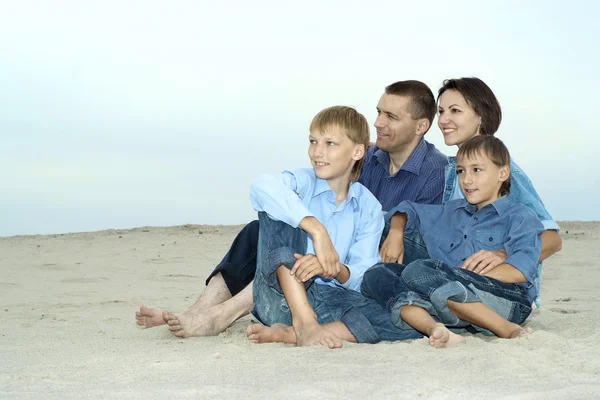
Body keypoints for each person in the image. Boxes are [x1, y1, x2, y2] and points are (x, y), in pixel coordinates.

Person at [135, 80, 449, 337]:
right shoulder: (370, 157)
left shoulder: (433, 168)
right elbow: (279, 188)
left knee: (393, 318)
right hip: (319, 249)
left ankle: (236, 315)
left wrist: (391, 227)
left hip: (382, 255)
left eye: (391, 117)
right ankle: (202, 312)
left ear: (421, 126)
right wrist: (316, 226)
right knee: (262, 227)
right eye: (379, 112)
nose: (379, 122)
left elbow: (420, 224)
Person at [379, 77, 561, 307]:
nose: (444, 120)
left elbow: (552, 238)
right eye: (442, 111)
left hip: (498, 288)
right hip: (457, 271)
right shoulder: (452, 170)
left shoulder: (502, 170)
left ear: (481, 116)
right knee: (380, 226)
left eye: (455, 111)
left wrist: (504, 254)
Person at [362, 135, 544, 348]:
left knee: (419, 269)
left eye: (477, 170)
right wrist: (395, 232)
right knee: (376, 274)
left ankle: (505, 328)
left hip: (505, 299)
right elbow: (409, 208)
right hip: (447, 297)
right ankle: (435, 327)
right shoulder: (452, 210)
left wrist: (461, 277)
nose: (467, 180)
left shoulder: (520, 216)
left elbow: (521, 271)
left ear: (502, 173)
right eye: (461, 171)